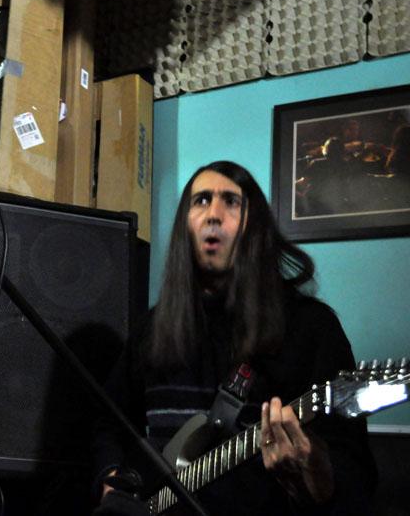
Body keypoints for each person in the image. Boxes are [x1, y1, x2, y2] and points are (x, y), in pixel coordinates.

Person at [93, 161, 376, 515]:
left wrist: (318, 476)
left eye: (231, 201)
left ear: (255, 225)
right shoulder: (152, 328)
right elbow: (110, 421)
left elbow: (356, 475)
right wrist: (111, 476)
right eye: (201, 201)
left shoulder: (311, 328)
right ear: (184, 226)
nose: (213, 214)